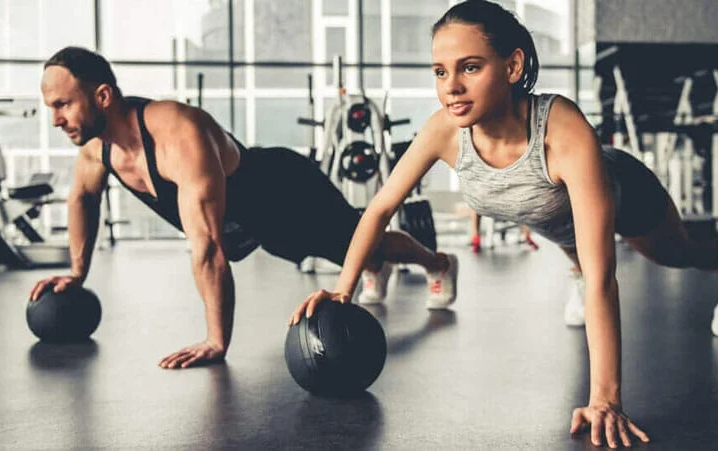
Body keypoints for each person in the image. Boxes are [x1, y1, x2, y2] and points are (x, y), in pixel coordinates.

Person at [289, 0, 718, 447]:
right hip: (557, 223)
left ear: (513, 67)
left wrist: (606, 400)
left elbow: (605, 277)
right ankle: (573, 270)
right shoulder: (443, 130)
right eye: (440, 71)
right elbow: (378, 208)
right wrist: (343, 290)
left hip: (624, 194)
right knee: (565, 235)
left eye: (470, 67)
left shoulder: (562, 129)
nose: (451, 86)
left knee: (672, 254)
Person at [29, 46, 459, 370]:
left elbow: (208, 248)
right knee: (353, 253)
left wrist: (216, 342)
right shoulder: (94, 153)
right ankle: (373, 265)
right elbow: (82, 198)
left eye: (63, 105)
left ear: (102, 96)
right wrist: (77, 273)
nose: (55, 120)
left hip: (285, 192)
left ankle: (436, 262)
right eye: (52, 107)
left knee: (364, 243)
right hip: (247, 221)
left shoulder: (177, 133)